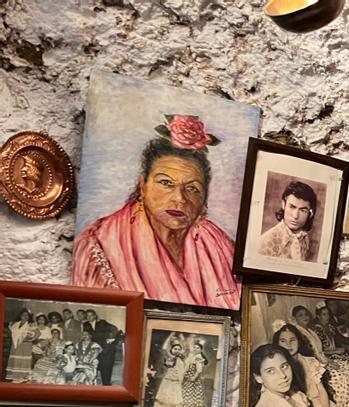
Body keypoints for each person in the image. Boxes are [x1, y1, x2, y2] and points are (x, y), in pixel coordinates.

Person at [71, 115, 240, 308]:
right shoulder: (98, 246)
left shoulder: (219, 245)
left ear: (204, 199)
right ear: (143, 187)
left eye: (192, 188)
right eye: (166, 183)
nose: (179, 198)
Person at [272, 323, 349, 407]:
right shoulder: (279, 370)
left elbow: (321, 391)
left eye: (292, 340)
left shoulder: (310, 362)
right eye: (283, 341)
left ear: (299, 342)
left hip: (321, 405)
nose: (288, 344)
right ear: (277, 343)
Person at [247, 344, 325, 407]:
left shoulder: (296, 396)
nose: (283, 375)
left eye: (284, 366)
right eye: (271, 371)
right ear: (258, 377)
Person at [259, 180, 318, 262]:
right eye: (292, 207)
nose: (295, 216)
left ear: (311, 213)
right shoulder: (266, 242)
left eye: (302, 210)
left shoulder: (306, 239)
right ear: (283, 205)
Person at [83, 309, 122, 386]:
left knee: (106, 368)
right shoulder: (86, 325)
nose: (89, 317)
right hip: (96, 350)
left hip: (107, 349)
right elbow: (86, 336)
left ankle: (107, 385)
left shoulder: (102, 322)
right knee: (97, 367)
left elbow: (114, 329)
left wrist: (112, 338)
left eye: (91, 315)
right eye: (87, 315)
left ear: (95, 316)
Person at [153, 339, 187, 407]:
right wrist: (171, 335)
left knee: (175, 401)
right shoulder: (170, 358)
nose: (177, 350)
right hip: (168, 381)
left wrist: (180, 382)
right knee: (165, 399)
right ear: (171, 349)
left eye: (179, 349)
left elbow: (181, 372)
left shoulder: (181, 360)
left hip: (176, 383)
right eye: (175, 349)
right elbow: (164, 349)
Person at [5, 308, 38, 381]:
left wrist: (30, 339)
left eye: (27, 315)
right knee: (15, 359)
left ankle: (22, 377)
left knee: (23, 360)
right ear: (20, 316)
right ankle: (14, 377)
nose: (26, 316)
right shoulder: (14, 324)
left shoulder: (31, 324)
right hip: (15, 345)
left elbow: (38, 333)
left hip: (26, 346)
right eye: (24, 315)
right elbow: (10, 333)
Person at [181, 339, 210, 407]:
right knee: (187, 394)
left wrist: (194, 377)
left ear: (200, 350)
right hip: (188, 378)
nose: (195, 349)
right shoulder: (193, 356)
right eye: (194, 347)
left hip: (193, 378)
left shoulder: (198, 357)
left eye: (197, 348)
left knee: (192, 395)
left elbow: (199, 370)